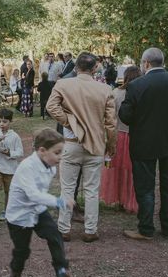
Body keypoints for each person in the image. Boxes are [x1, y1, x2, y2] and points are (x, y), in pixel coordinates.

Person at [119, 47, 168, 240]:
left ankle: (146, 228)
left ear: (146, 63)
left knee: (145, 188)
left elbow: (125, 116)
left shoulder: (136, 85)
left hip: (144, 143)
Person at [47, 52, 117, 243]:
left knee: (67, 189)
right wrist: (111, 145)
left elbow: (51, 107)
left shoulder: (63, 84)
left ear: (76, 67)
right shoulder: (105, 89)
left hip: (71, 144)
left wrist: (68, 122)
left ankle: (63, 229)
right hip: (95, 145)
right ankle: (90, 230)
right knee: (92, 190)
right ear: (95, 68)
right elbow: (111, 123)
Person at [5, 128, 76, 277]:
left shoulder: (50, 166)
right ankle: (16, 270)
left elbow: (39, 196)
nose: (60, 157)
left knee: (55, 236)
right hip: (20, 216)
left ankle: (61, 272)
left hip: (38, 210)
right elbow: (33, 195)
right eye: (57, 153)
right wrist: (59, 202)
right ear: (42, 151)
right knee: (22, 251)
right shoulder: (26, 167)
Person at [99, 65, 141, 213]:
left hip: (118, 135)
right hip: (135, 136)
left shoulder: (116, 92)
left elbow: (110, 116)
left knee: (116, 170)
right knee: (132, 171)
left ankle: (118, 199)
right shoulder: (142, 93)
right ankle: (130, 200)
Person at [0, 108, 23, 223]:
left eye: (5, 121)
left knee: (8, 191)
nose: (2, 124)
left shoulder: (15, 136)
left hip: (10, 169)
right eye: (0, 121)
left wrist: (9, 153)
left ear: (10, 122)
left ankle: (6, 211)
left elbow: (20, 153)